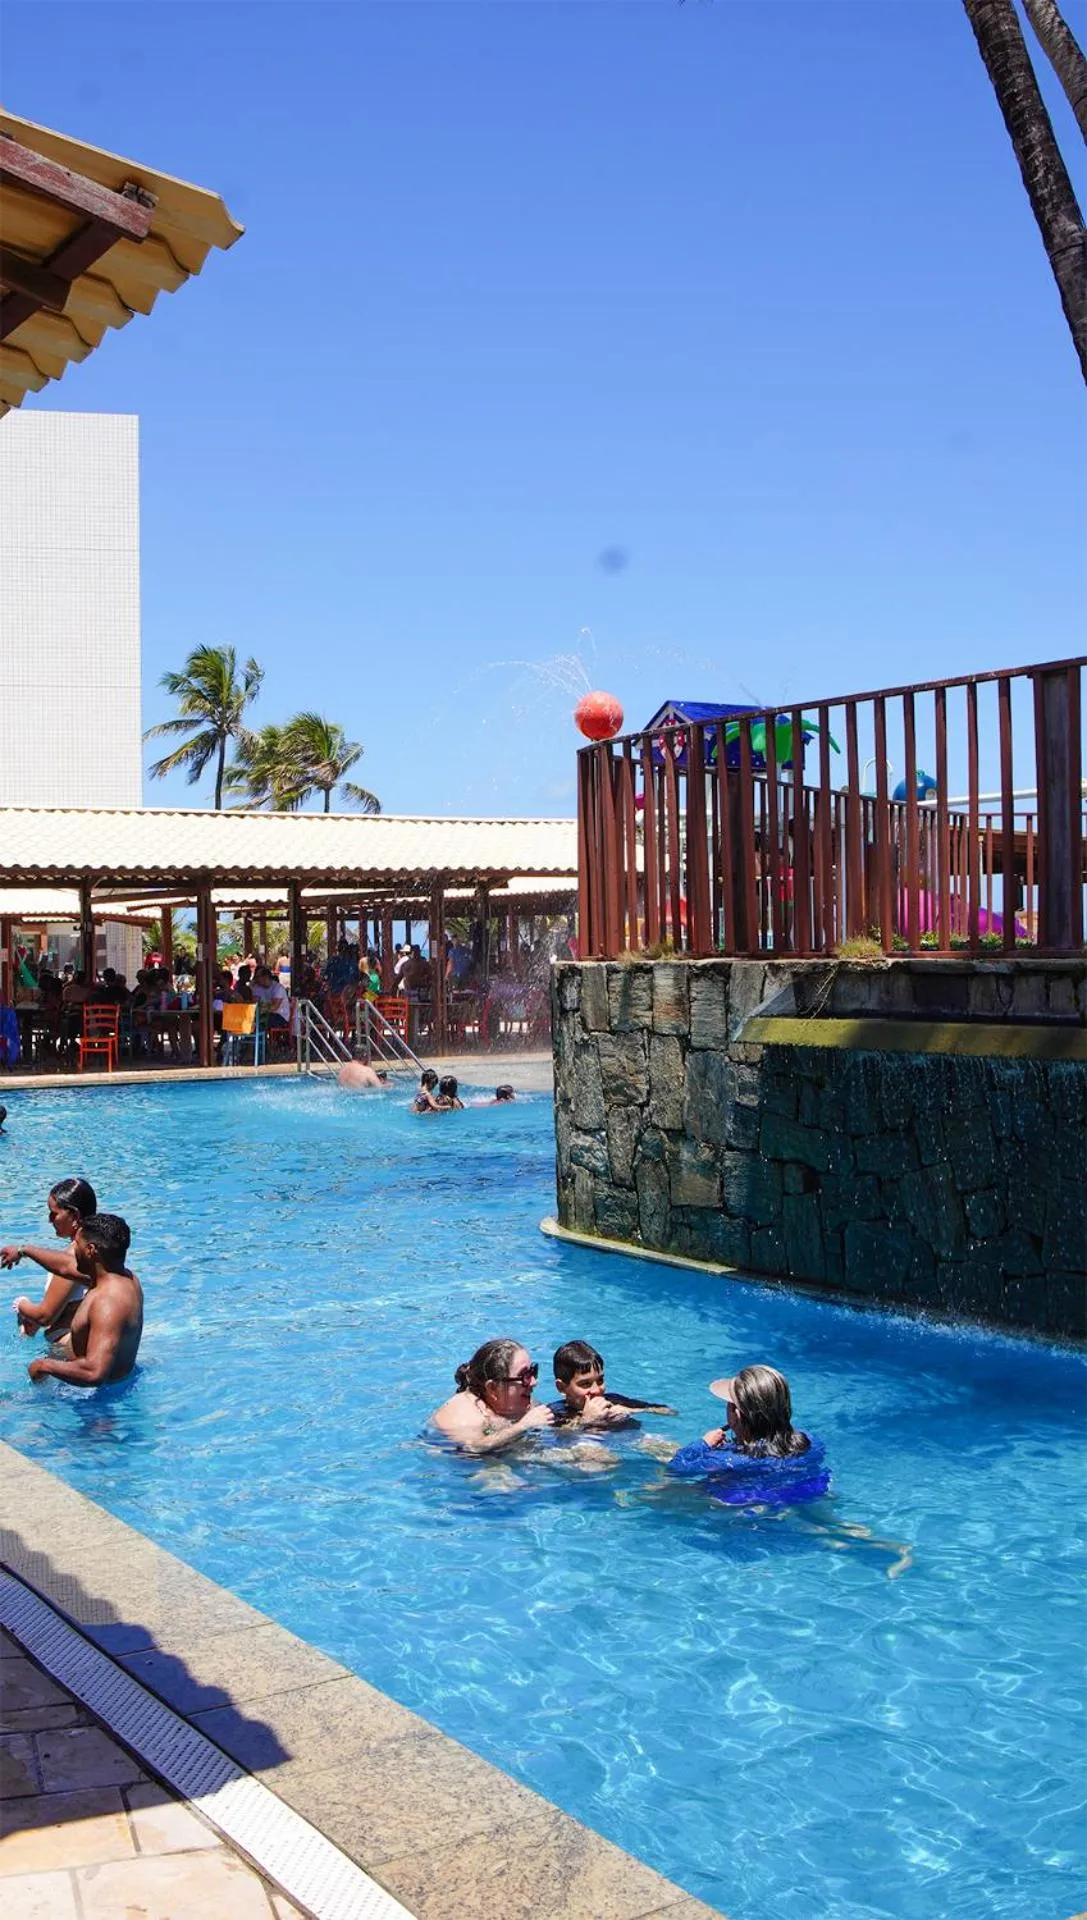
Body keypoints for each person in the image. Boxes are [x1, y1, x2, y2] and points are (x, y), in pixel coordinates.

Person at [667, 1364, 829, 1505]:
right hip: (805, 1492)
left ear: (736, 1414)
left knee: (662, 1491)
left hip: (744, 1502)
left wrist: (703, 1444)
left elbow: (677, 1468)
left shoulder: (724, 1460)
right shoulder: (809, 1441)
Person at [27, 1214, 143, 1389]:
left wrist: (44, 1365)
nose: (74, 1251)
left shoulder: (108, 1302)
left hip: (97, 1400)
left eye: (77, 1245)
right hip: (113, 1385)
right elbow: (64, 1266)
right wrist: (23, 1250)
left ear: (90, 1250)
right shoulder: (125, 1277)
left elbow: (94, 1372)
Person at [3, 1176, 98, 1339]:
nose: (49, 1220)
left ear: (75, 1215)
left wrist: (21, 1304)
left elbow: (45, 1317)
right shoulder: (99, 1250)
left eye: (54, 1214)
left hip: (64, 1352)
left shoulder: (74, 1255)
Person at [430, 1338, 554, 1452]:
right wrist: (522, 1426)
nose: (534, 1382)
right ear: (493, 1388)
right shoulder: (464, 1417)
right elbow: (471, 1449)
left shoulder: (520, 1403)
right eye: (524, 1376)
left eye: (533, 1372)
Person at [550, 1341, 678, 1429]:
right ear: (562, 1388)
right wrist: (588, 1420)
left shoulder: (613, 1400)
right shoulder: (554, 1414)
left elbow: (668, 1411)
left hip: (630, 1438)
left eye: (600, 1381)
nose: (596, 1390)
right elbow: (560, 1438)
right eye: (585, 1384)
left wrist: (629, 1411)